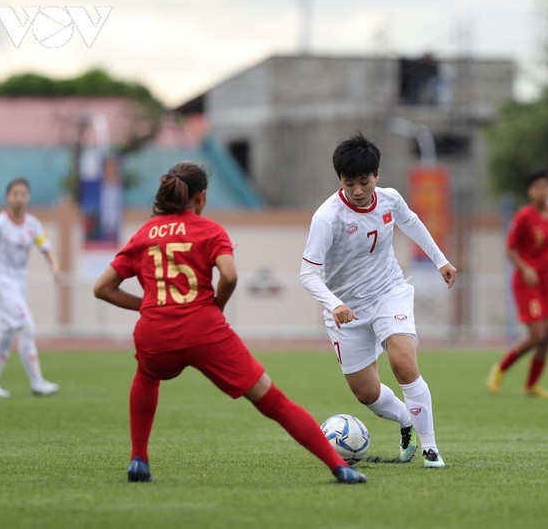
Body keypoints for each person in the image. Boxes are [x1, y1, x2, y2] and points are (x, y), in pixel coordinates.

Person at [93, 162, 366, 484]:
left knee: (147, 375)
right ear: (201, 197)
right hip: (204, 329)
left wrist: (150, 306)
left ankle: (138, 459)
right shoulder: (209, 230)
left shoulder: (144, 234)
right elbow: (230, 275)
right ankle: (340, 467)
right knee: (273, 401)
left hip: (155, 333)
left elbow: (102, 288)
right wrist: (217, 306)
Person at [300, 133, 457, 469]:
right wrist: (334, 304)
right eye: (349, 182)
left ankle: (430, 449)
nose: (358, 191)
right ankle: (406, 422)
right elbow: (308, 274)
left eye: (364, 181)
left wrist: (440, 260)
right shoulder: (327, 217)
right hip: (346, 310)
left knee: (403, 364)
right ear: (339, 180)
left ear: (377, 175)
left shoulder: (389, 200)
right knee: (366, 394)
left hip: (389, 293)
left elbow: (411, 222)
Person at [486, 169, 548, 399]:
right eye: (537, 187)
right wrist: (526, 268)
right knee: (537, 335)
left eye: (546, 186)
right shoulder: (524, 217)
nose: (542, 191)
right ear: (530, 191)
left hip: (547, 283)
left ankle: (532, 385)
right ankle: (500, 368)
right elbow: (509, 250)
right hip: (526, 283)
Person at [0, 178, 61, 398]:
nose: (19, 198)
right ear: (8, 197)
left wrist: (54, 267)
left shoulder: (33, 224)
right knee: (26, 326)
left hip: (19, 282)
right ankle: (37, 382)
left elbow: (45, 245)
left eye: (23, 194)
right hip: (1, 280)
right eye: (15, 194)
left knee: (7, 332)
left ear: (28, 197)